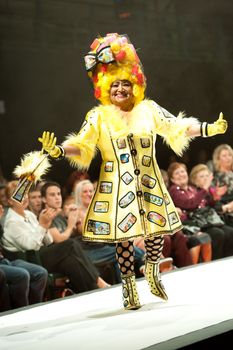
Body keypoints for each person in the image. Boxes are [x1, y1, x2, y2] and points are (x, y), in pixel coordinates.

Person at [37, 33, 227, 310]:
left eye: (125, 84)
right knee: (124, 239)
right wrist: (58, 151)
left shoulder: (148, 110)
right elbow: (82, 145)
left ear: (134, 85)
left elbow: (177, 127)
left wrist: (208, 128)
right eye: (114, 85)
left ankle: (151, 269)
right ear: (105, 89)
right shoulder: (98, 117)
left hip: (149, 183)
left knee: (156, 233)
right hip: (117, 187)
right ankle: (128, 286)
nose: (120, 89)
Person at [2, 181, 109, 294]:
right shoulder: (12, 221)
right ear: (9, 201)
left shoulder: (29, 215)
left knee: (70, 262)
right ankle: (99, 283)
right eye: (18, 196)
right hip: (31, 260)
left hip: (42, 252)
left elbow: (48, 240)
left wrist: (46, 227)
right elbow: (31, 245)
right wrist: (44, 226)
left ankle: (92, 292)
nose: (23, 198)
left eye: (24, 194)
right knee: (71, 244)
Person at [40, 180, 110, 287]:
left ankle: (95, 292)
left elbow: (69, 234)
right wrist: (70, 224)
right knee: (72, 244)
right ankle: (100, 283)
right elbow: (59, 240)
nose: (57, 197)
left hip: (66, 256)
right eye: (52, 195)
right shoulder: (45, 215)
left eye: (58, 194)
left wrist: (72, 220)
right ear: (44, 199)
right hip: (49, 257)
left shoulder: (59, 215)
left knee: (73, 264)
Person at [72, 179, 145, 282]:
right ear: (78, 194)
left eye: (91, 191)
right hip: (89, 253)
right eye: (85, 191)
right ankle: (145, 262)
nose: (89, 194)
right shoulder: (76, 211)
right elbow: (86, 230)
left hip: (104, 249)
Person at [168, 162, 233, 260]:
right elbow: (190, 204)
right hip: (190, 224)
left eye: (182, 171)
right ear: (172, 179)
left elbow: (206, 204)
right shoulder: (173, 191)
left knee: (229, 231)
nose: (181, 174)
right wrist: (205, 188)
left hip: (204, 221)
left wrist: (215, 197)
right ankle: (216, 263)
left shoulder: (192, 188)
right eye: (177, 173)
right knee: (218, 234)